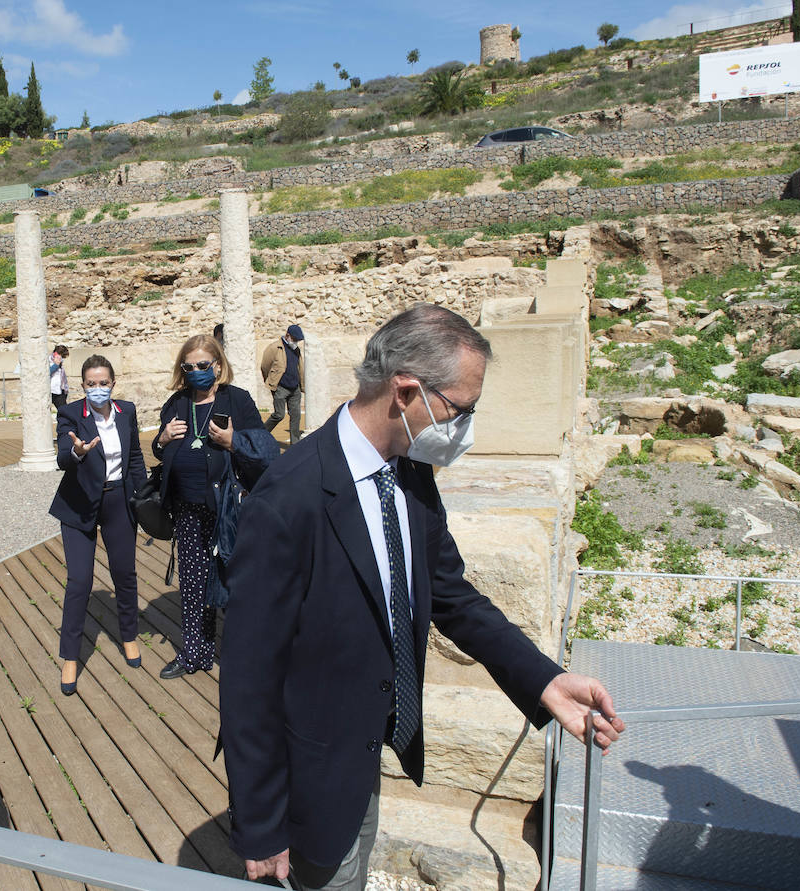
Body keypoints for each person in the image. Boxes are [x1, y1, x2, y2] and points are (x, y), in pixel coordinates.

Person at [221, 305, 625, 891]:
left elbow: (450, 594)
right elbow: (249, 673)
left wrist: (543, 680)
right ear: (406, 391)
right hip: (310, 765)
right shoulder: (288, 499)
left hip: (362, 748)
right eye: (460, 410)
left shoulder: (408, 470)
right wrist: (260, 825)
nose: (464, 427)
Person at [151, 334, 266, 679]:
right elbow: (159, 452)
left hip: (229, 509)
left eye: (203, 365)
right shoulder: (176, 403)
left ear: (217, 365)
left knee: (236, 581)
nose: (197, 371)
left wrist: (235, 442)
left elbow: (264, 449)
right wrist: (161, 439)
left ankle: (244, 657)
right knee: (193, 583)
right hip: (187, 509)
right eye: (190, 367)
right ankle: (194, 654)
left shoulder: (238, 400)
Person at [50, 355, 148, 695]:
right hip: (79, 505)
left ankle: (129, 636)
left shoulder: (127, 411)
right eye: (91, 384)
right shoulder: (70, 413)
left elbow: (135, 456)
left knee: (125, 573)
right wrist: (76, 452)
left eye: (103, 383)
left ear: (113, 383)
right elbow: (64, 455)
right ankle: (70, 657)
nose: (98, 389)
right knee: (79, 581)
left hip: (119, 500)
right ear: (83, 386)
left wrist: (142, 497)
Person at [261, 323, 306, 445]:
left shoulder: (296, 349)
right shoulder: (274, 348)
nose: (296, 342)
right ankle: (262, 434)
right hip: (280, 388)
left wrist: (301, 384)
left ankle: (295, 444)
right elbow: (265, 366)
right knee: (279, 415)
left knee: (296, 415)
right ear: (288, 336)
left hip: (294, 388)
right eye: (295, 339)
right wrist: (272, 381)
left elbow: (299, 367)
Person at [50, 344, 70, 410]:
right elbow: (46, 373)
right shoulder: (49, 360)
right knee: (64, 411)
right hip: (52, 390)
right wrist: (56, 365)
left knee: (64, 411)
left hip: (60, 390)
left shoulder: (59, 361)